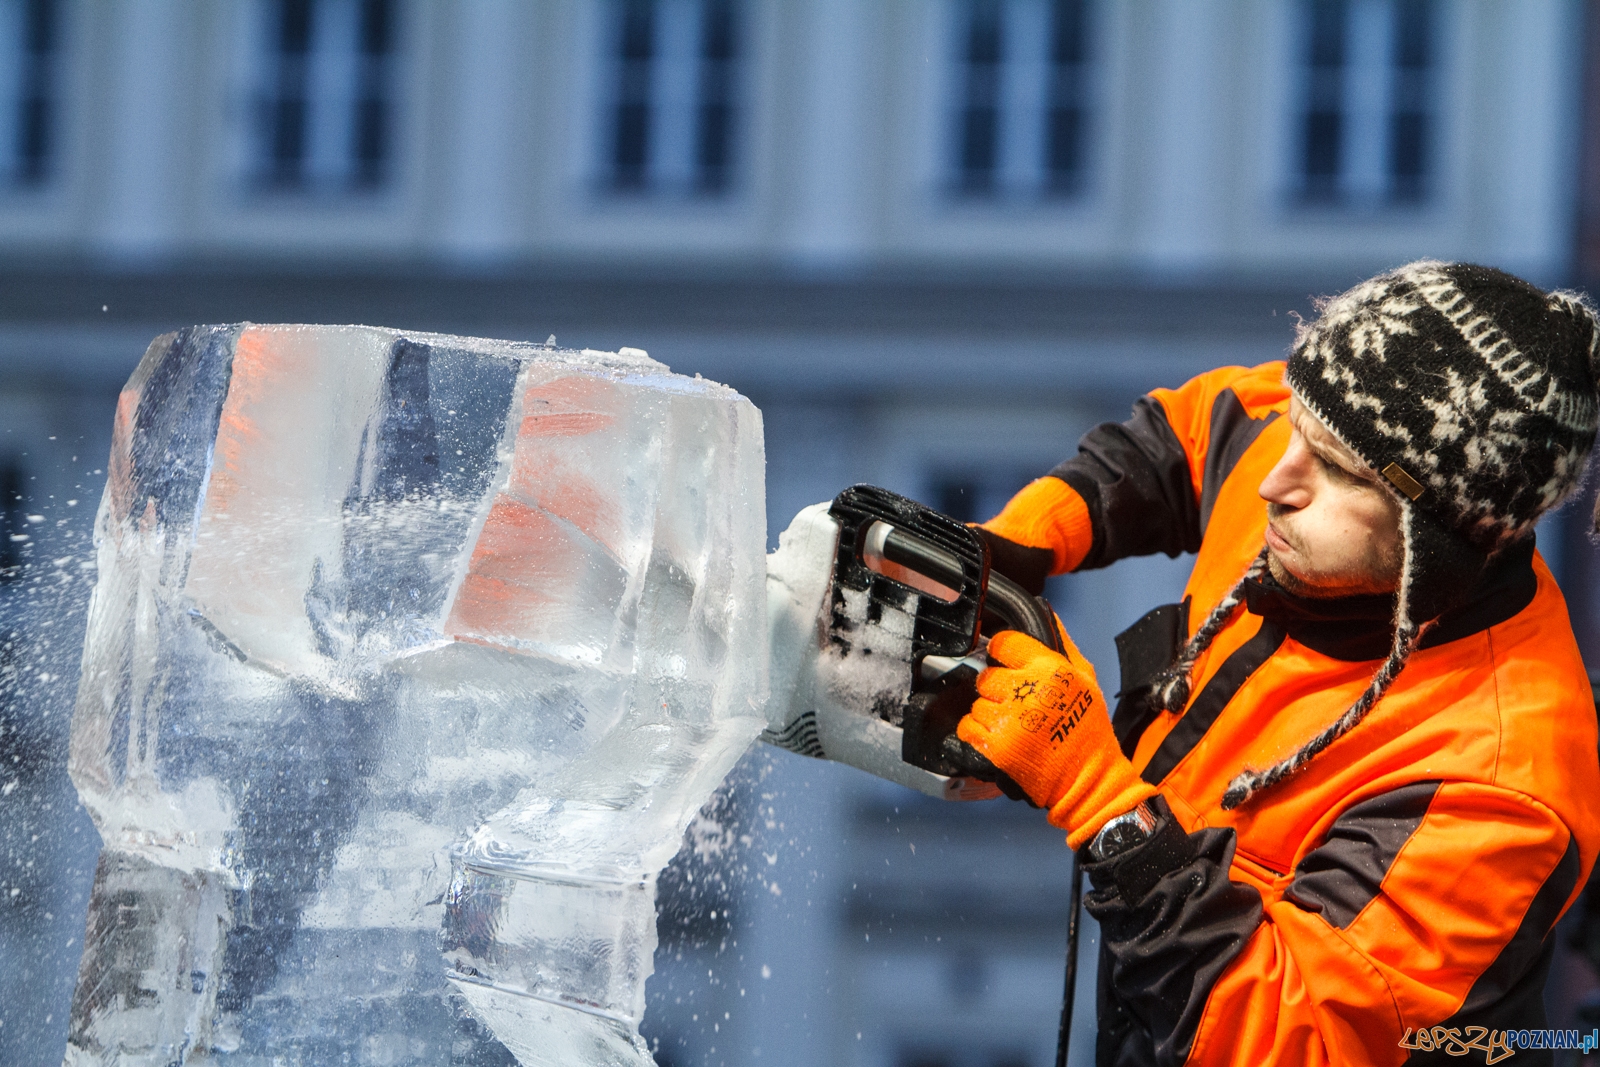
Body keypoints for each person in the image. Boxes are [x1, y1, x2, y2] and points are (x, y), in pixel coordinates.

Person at [953, 260, 1600, 1066]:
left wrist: (1100, 802)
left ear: (1438, 539)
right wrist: (1024, 537)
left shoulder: (1497, 783)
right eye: (1298, 425)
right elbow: (1197, 429)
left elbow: (1300, 1042)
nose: (1275, 478)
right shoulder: (1320, 451)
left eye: (1334, 468)